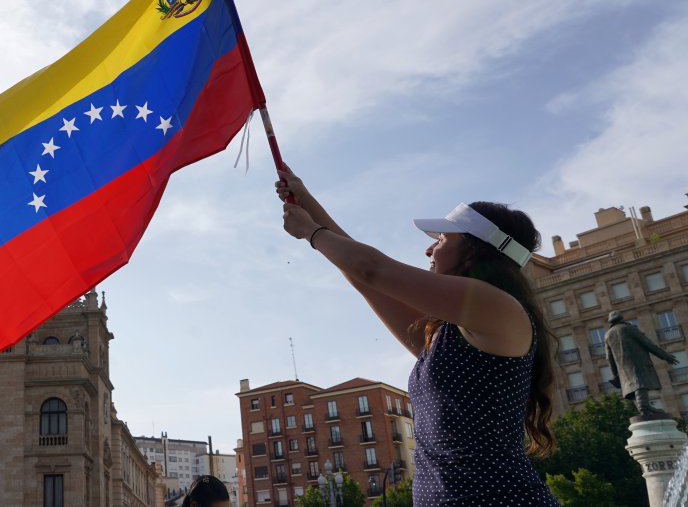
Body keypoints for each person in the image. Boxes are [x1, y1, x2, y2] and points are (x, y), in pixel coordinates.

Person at [276, 169, 558, 506]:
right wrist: (305, 199)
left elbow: (371, 269)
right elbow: (364, 277)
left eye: (441, 240)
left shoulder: (499, 307)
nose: (428, 249)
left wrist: (311, 232)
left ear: (473, 249)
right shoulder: (446, 334)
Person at [605, 309, 679, 415]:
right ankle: (643, 407)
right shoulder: (629, 328)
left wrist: (615, 374)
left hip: (623, 367)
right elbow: (647, 343)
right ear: (621, 318)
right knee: (639, 383)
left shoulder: (607, 335)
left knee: (633, 386)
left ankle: (644, 407)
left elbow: (609, 357)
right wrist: (665, 356)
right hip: (638, 362)